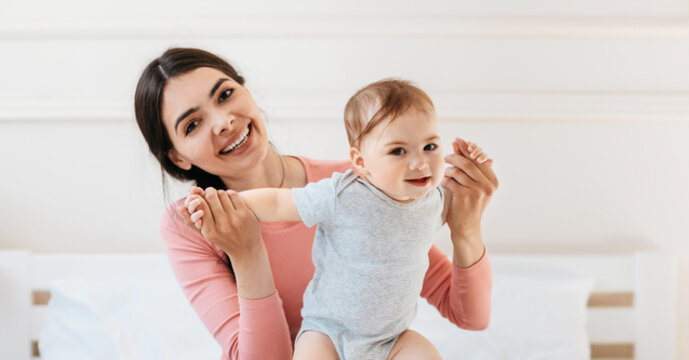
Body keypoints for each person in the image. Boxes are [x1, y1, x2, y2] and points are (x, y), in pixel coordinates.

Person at [133, 48, 498, 360]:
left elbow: (470, 316)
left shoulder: (359, 184)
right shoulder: (190, 225)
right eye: (193, 124)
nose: (223, 121)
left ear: (246, 91)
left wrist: (466, 228)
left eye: (226, 95)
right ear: (177, 157)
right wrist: (246, 253)